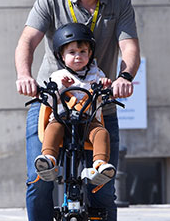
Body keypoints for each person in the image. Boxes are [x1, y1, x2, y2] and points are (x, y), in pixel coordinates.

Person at [14, 0, 140, 221]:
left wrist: (124, 77)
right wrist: (25, 76)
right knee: (38, 181)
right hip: (51, 103)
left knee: (102, 192)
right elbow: (27, 40)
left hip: (99, 103)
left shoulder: (118, 0)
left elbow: (129, 47)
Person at [34, 22, 116, 186]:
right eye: (72, 52)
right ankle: (49, 160)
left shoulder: (97, 74)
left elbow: (104, 97)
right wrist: (61, 87)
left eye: (82, 52)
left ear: (90, 53)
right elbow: (51, 101)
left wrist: (106, 87)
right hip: (63, 119)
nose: (78, 56)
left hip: (88, 121)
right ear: (62, 56)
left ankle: (100, 165)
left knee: (101, 133)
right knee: (53, 128)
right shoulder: (58, 75)